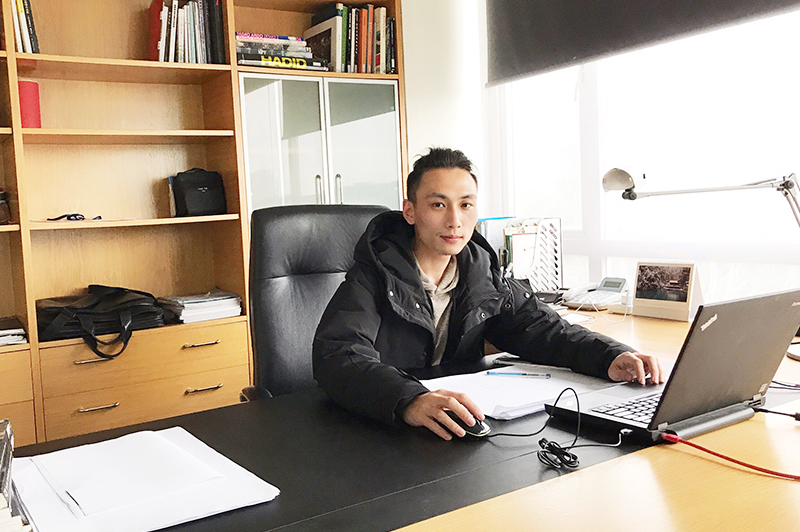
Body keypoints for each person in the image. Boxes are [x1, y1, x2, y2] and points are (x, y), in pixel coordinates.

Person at [313, 147, 664, 440]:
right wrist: (409, 399)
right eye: (438, 205)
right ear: (410, 211)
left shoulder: (481, 273)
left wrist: (610, 356)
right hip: (381, 431)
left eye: (466, 205)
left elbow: (544, 330)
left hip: (459, 430)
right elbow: (338, 355)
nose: (455, 221)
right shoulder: (374, 273)